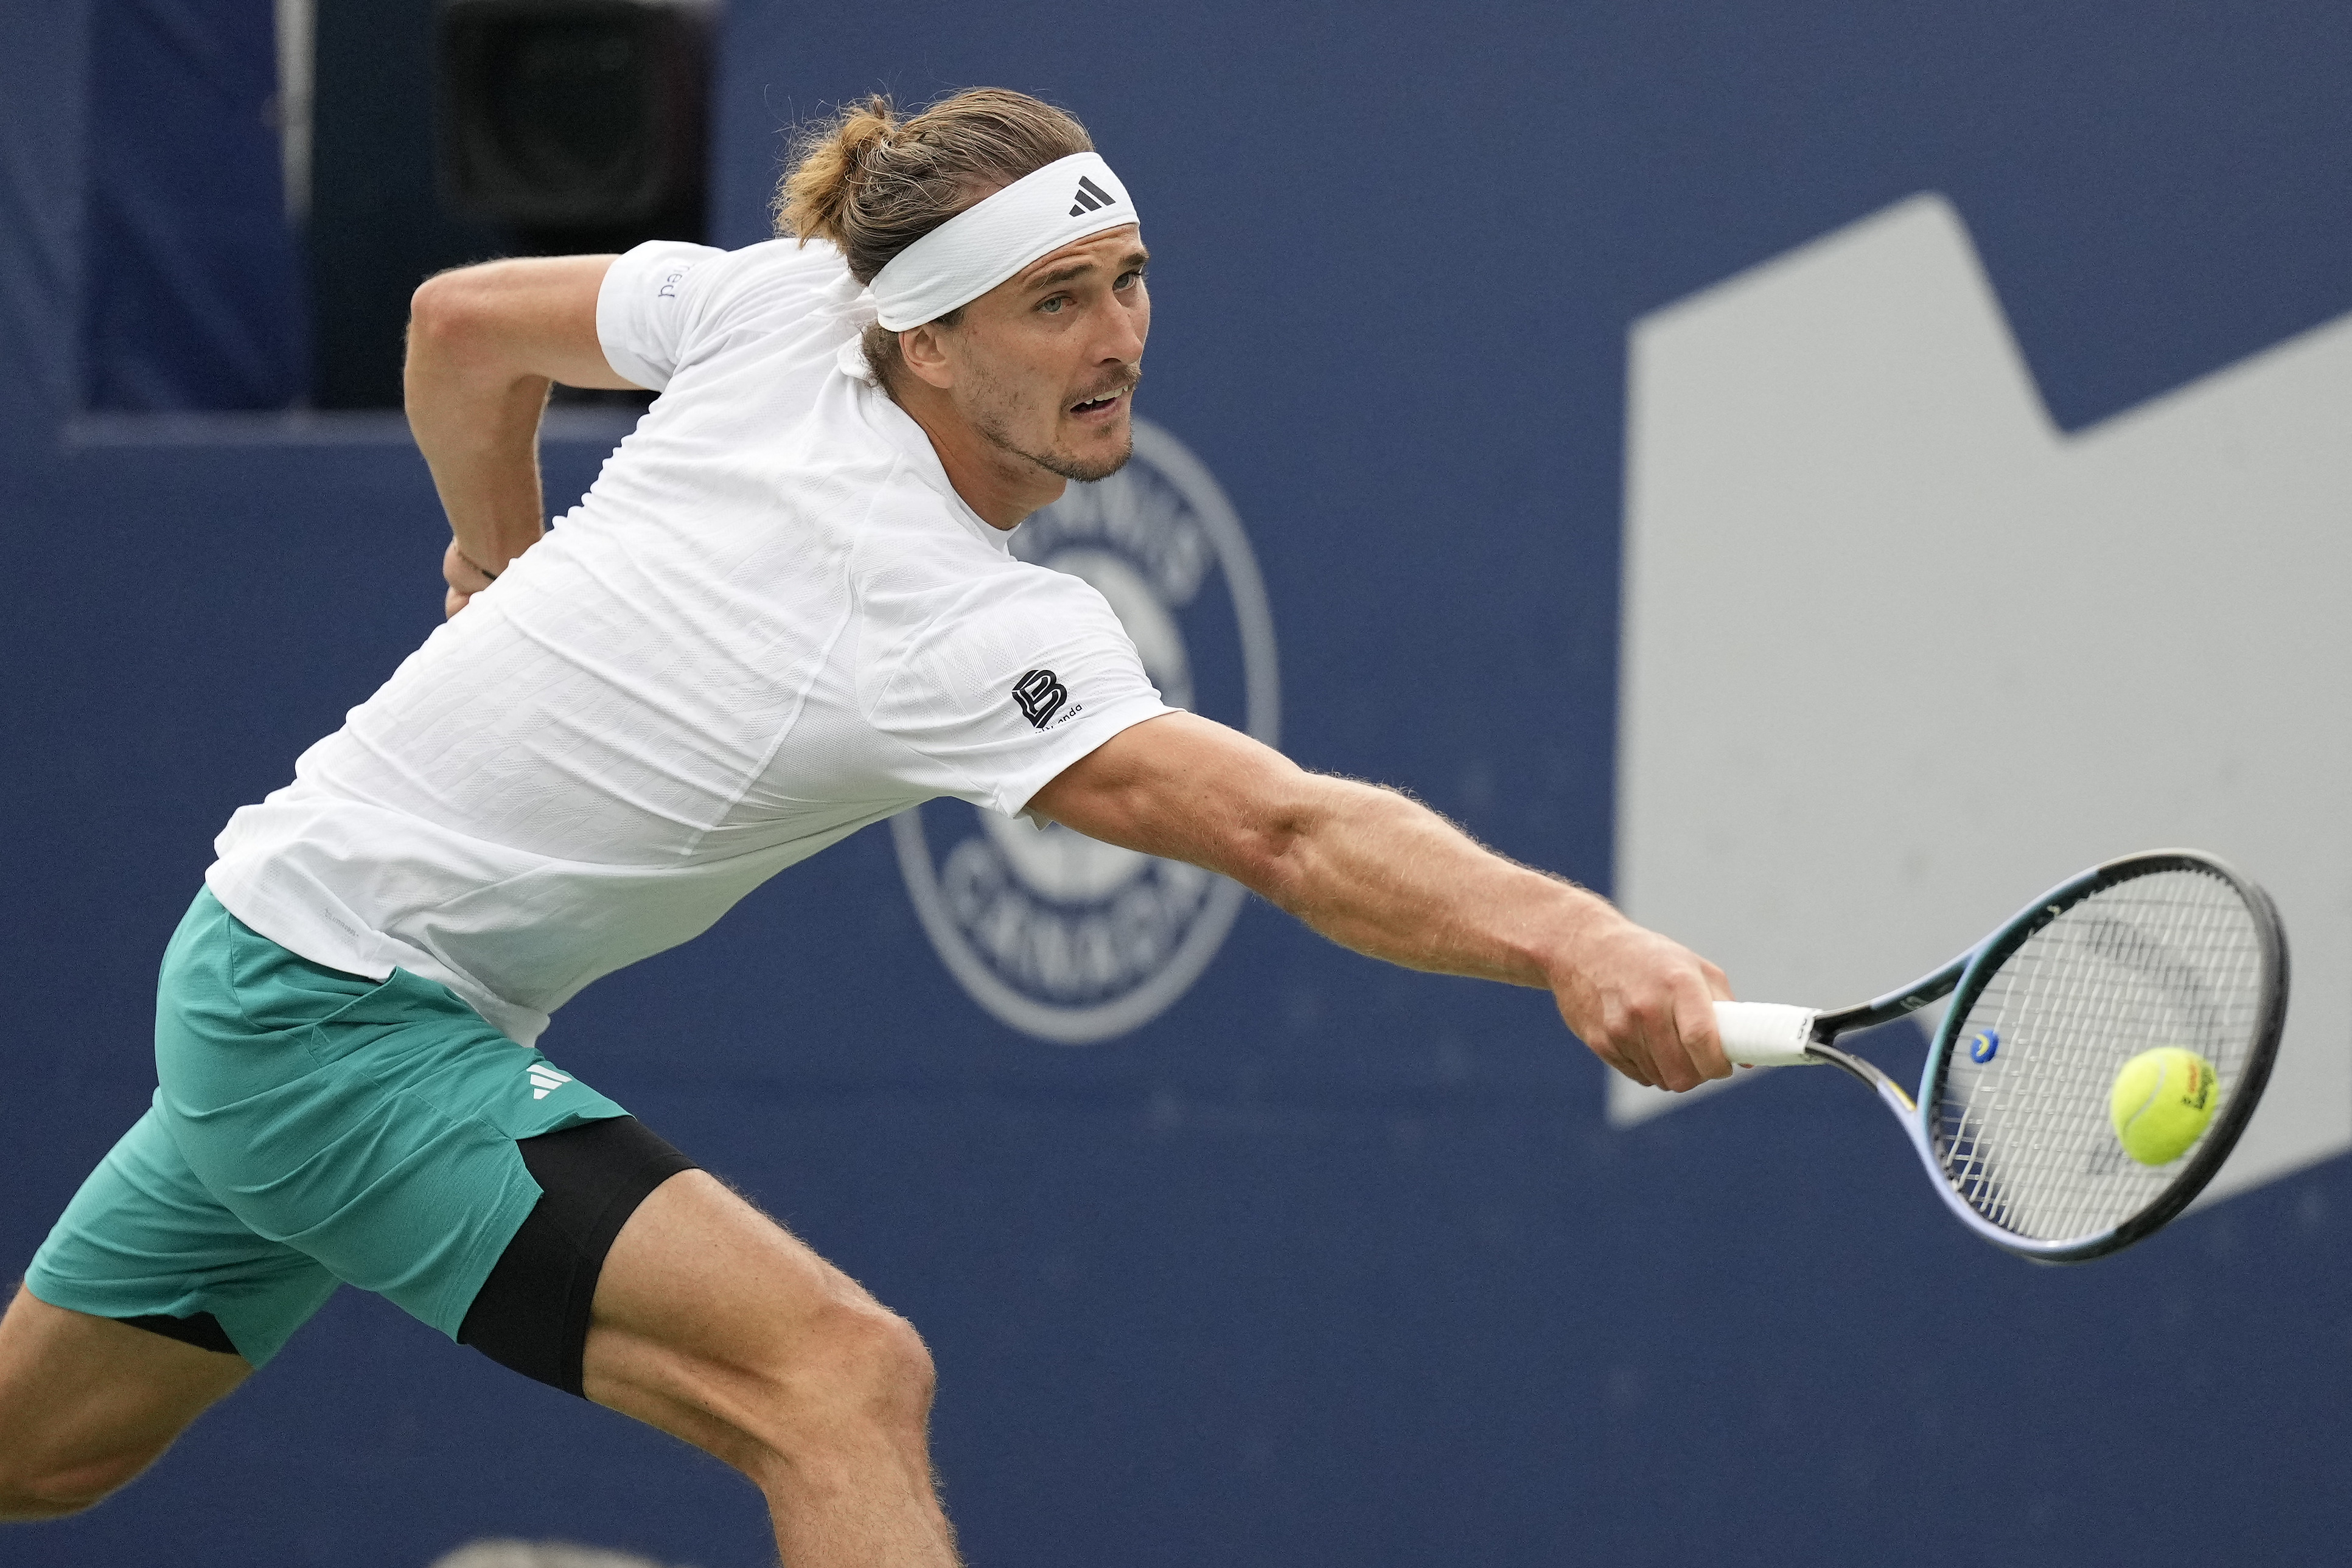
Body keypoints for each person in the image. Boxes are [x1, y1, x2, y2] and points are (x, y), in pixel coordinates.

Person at [0, 88, 1734, 1564]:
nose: (1117, 338)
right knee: (838, 1376)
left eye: (1126, 282)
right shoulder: (948, 616)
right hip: (337, 1023)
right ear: (922, 336)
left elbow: (462, 328)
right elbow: (1284, 835)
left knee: (43, 1452)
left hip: (270, 960)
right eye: (1053, 301)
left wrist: (492, 558)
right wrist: (1575, 933)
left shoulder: (776, 310)